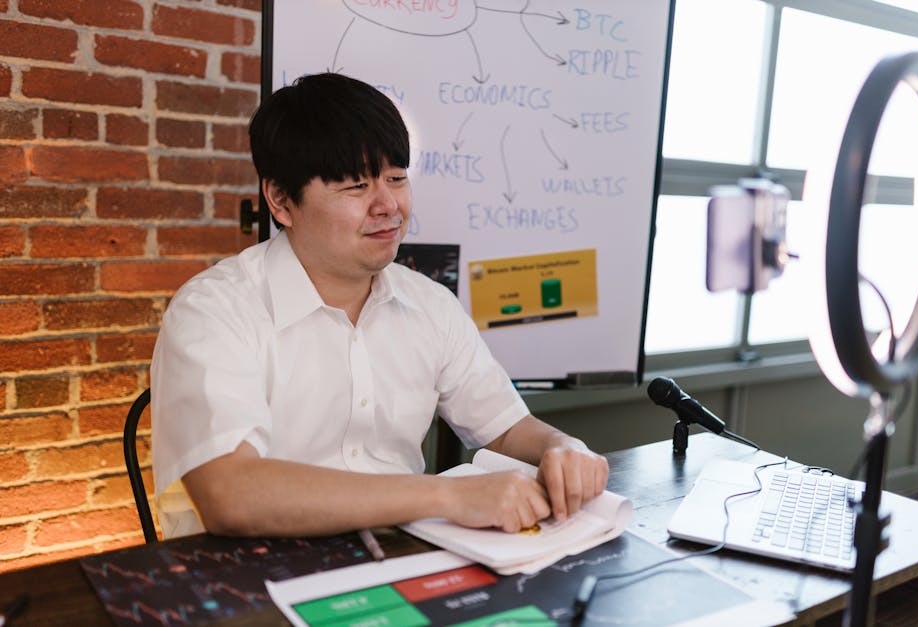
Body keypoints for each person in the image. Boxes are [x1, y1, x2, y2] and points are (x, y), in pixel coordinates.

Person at [150, 72, 608, 539]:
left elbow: (506, 428)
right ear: (282, 201)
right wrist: (450, 497)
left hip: (397, 562)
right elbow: (231, 494)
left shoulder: (429, 304)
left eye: (397, 178)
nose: (389, 204)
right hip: (245, 581)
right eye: (355, 186)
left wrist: (562, 447)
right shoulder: (214, 310)